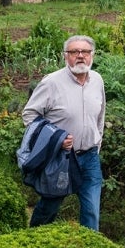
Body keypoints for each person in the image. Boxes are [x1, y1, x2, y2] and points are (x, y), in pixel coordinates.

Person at [21, 34, 106, 231]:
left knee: (92, 209)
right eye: (74, 52)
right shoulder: (51, 83)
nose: (80, 56)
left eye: (85, 51)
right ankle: (34, 238)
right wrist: (55, 139)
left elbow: (100, 115)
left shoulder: (97, 81)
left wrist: (97, 142)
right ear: (65, 56)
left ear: (92, 55)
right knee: (51, 205)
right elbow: (29, 115)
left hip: (90, 156)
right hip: (60, 158)